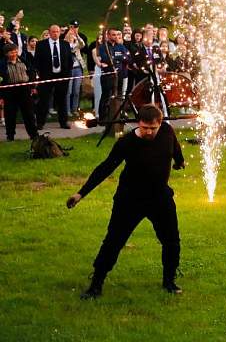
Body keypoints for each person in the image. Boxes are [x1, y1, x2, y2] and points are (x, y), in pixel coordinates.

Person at [67, 104, 185, 299]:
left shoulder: (167, 131)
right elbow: (105, 168)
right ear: (138, 123)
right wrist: (81, 194)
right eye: (145, 127)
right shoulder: (127, 143)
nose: (149, 132)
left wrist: (179, 161)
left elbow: (175, 149)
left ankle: (169, 281)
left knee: (171, 241)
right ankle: (96, 284)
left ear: (160, 123)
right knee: (113, 242)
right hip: (130, 200)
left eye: (153, 128)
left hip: (160, 198)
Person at [34, 24, 74, 129]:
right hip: (46, 76)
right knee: (44, 99)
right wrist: (41, 73)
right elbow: (37, 61)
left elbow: (70, 60)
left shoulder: (65, 44)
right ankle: (40, 122)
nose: (55, 34)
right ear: (49, 32)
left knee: (62, 100)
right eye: (53, 32)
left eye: (57, 32)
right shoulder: (41, 45)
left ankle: (63, 122)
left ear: (60, 33)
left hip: (62, 76)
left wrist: (67, 74)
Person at [0, 43, 39, 141]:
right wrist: (1, 96)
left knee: (29, 114)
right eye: (11, 52)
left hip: (24, 90)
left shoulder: (23, 60)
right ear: (6, 54)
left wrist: (32, 86)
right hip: (9, 91)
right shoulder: (2, 64)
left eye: (15, 51)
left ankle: (34, 135)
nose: (14, 54)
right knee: (10, 115)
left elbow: (32, 71)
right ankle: (10, 136)